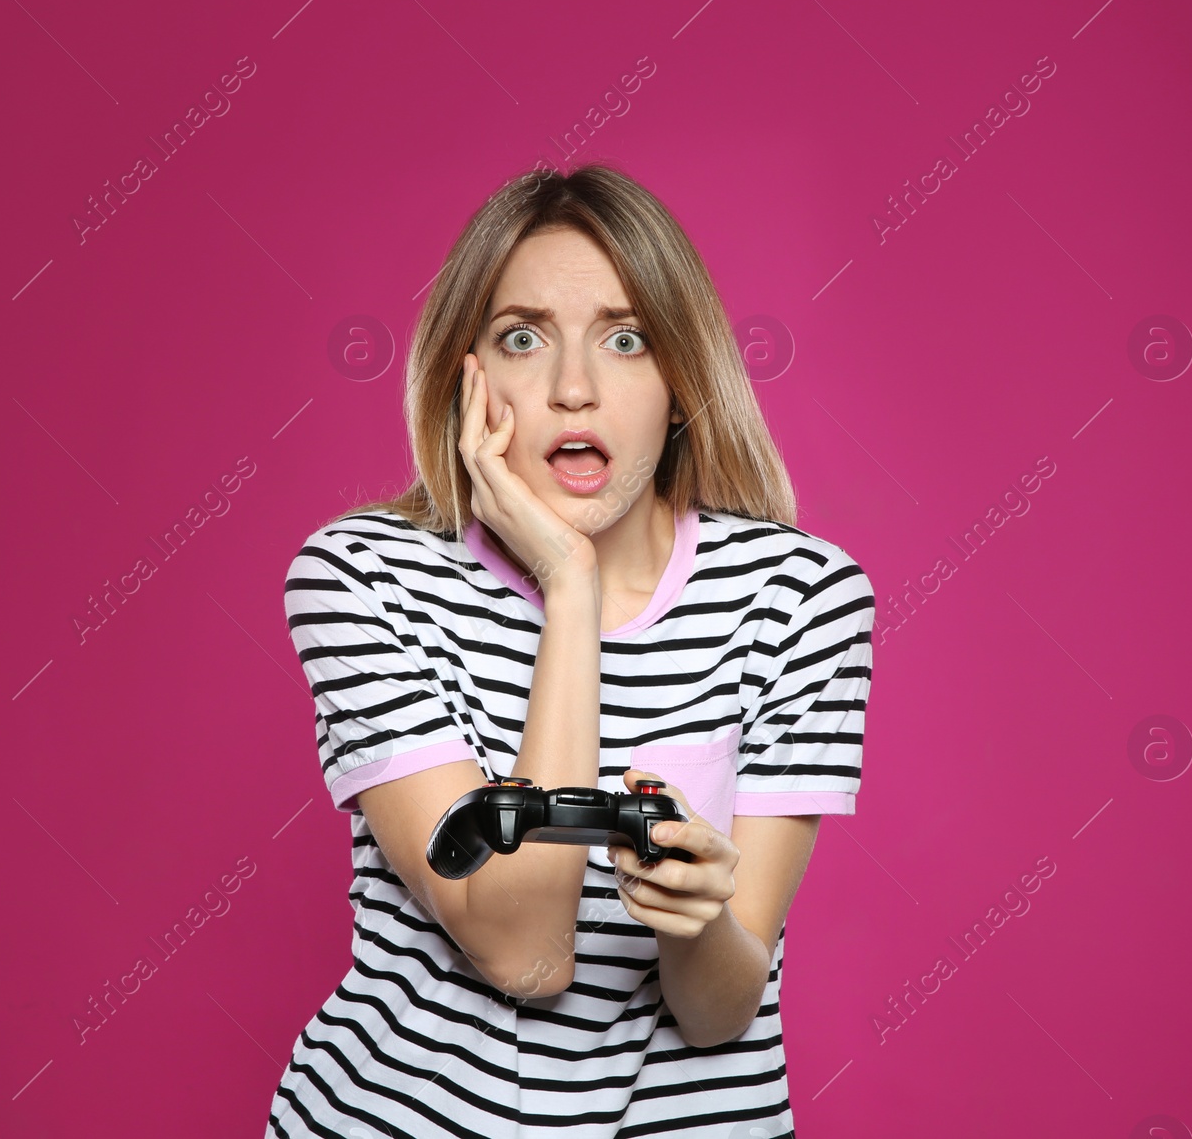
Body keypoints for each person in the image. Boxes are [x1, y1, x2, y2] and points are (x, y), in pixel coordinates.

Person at [266, 162, 876, 1139]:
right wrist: (570, 583)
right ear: (466, 377)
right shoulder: (361, 580)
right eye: (521, 339)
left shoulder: (799, 599)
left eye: (626, 341)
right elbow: (526, 952)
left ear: (680, 384)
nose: (574, 389)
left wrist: (693, 920)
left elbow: (719, 1013)